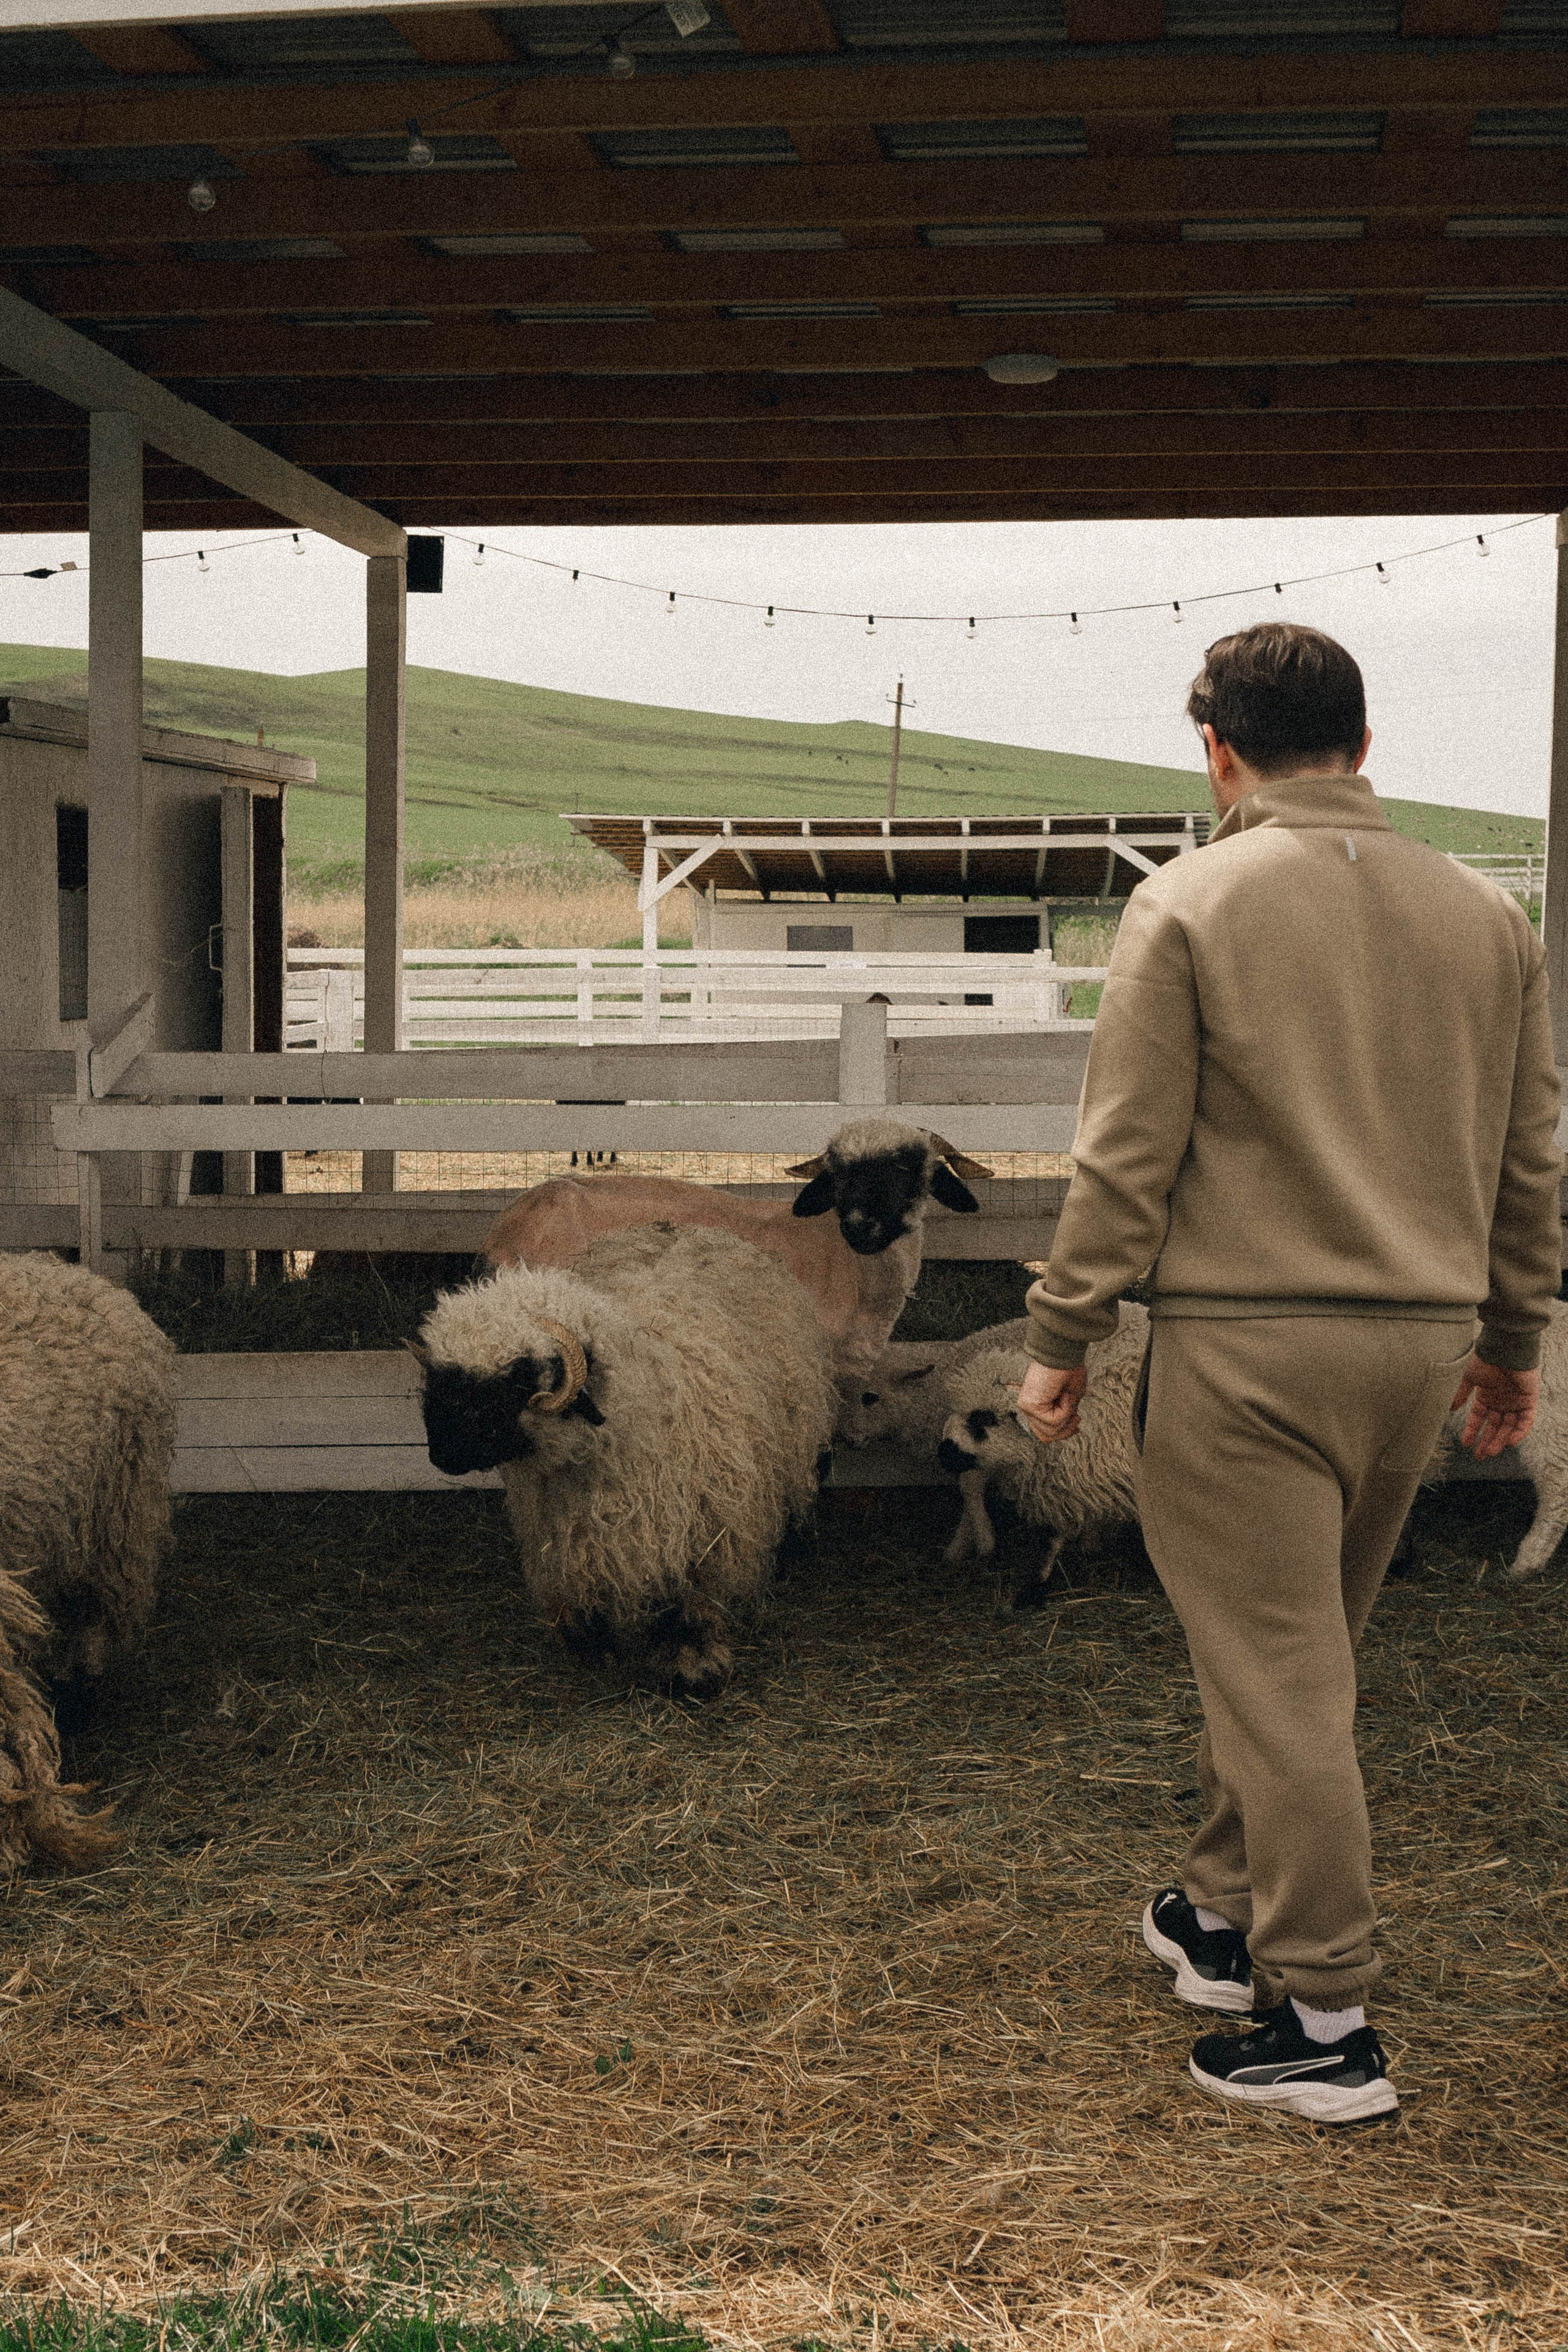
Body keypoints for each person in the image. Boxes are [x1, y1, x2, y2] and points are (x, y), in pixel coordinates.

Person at [1016, 622, 1561, 2125]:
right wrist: (1511, 1342)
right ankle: (1210, 1910)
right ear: (1364, 745)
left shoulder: (1187, 900)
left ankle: (1324, 2017)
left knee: (1277, 1675)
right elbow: (1529, 1162)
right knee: (1294, 1657)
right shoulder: (1482, 916)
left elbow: (1125, 1156)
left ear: (1215, 749)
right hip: (1413, 1346)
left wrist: (1060, 1341)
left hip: (1246, 1349)